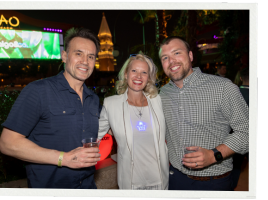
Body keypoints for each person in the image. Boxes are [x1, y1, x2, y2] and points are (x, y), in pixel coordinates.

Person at [0, 28, 102, 188]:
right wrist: (64, 158)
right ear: (64, 56)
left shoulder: (93, 99)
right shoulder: (38, 91)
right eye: (78, 54)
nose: (85, 61)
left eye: (91, 56)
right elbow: (8, 143)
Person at [158, 36, 249, 191]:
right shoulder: (162, 93)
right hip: (175, 179)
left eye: (177, 53)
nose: (171, 61)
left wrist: (215, 155)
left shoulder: (223, 88)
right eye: (165, 57)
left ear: (191, 56)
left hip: (213, 183)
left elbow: (248, 132)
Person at [98, 53, 169, 190]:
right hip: (130, 182)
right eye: (134, 71)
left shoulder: (158, 101)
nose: (138, 76)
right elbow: (94, 134)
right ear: (126, 74)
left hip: (160, 180)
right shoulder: (111, 104)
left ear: (148, 78)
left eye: (144, 72)